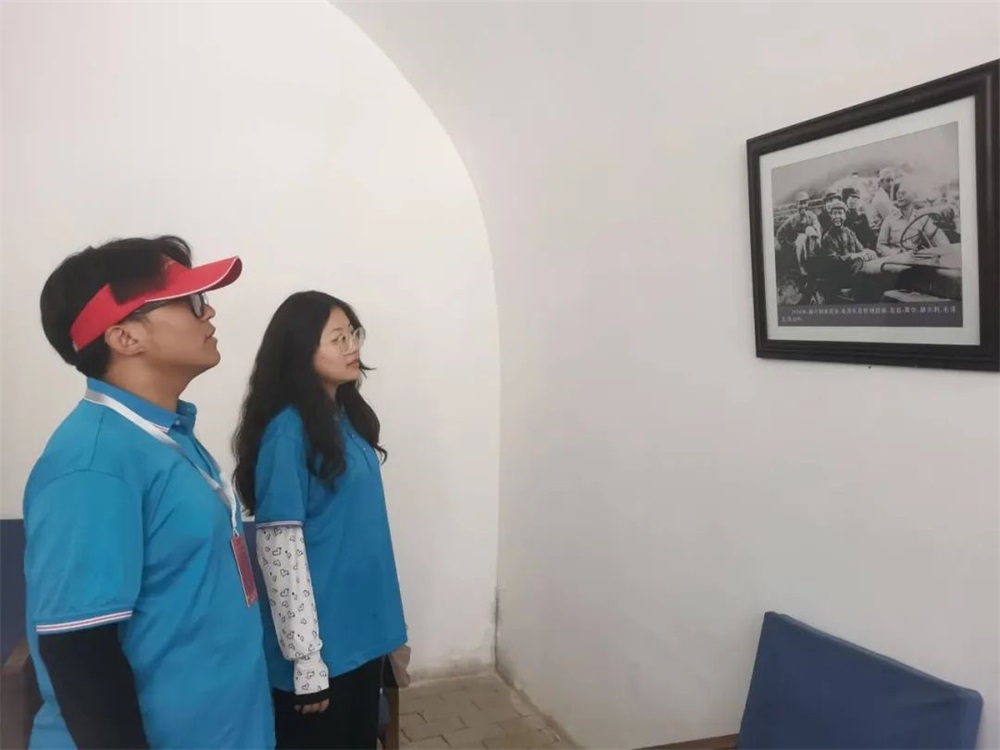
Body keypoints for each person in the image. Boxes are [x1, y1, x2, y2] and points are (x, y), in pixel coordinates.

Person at [24, 236, 274, 749]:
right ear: (124, 336)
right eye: (191, 302)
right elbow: (80, 656)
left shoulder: (164, 435)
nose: (209, 313)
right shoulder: (92, 466)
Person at [233, 291, 407, 750]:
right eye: (337, 338)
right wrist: (306, 659)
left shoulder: (344, 416)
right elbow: (280, 550)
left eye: (353, 334)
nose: (353, 347)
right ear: (300, 351)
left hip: (360, 633)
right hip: (322, 648)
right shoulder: (287, 432)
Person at [875, 176, 952, 257]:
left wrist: (947, 252)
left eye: (903, 193)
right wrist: (895, 253)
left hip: (916, 259)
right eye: (898, 193)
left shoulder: (922, 218)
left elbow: (938, 239)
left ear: (914, 196)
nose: (899, 196)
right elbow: (880, 246)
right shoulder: (889, 219)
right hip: (896, 261)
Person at [869, 167, 900, 231]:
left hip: (885, 228)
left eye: (892, 180)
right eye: (888, 181)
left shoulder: (884, 195)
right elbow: (889, 220)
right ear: (881, 182)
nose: (891, 184)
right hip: (879, 232)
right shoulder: (880, 198)